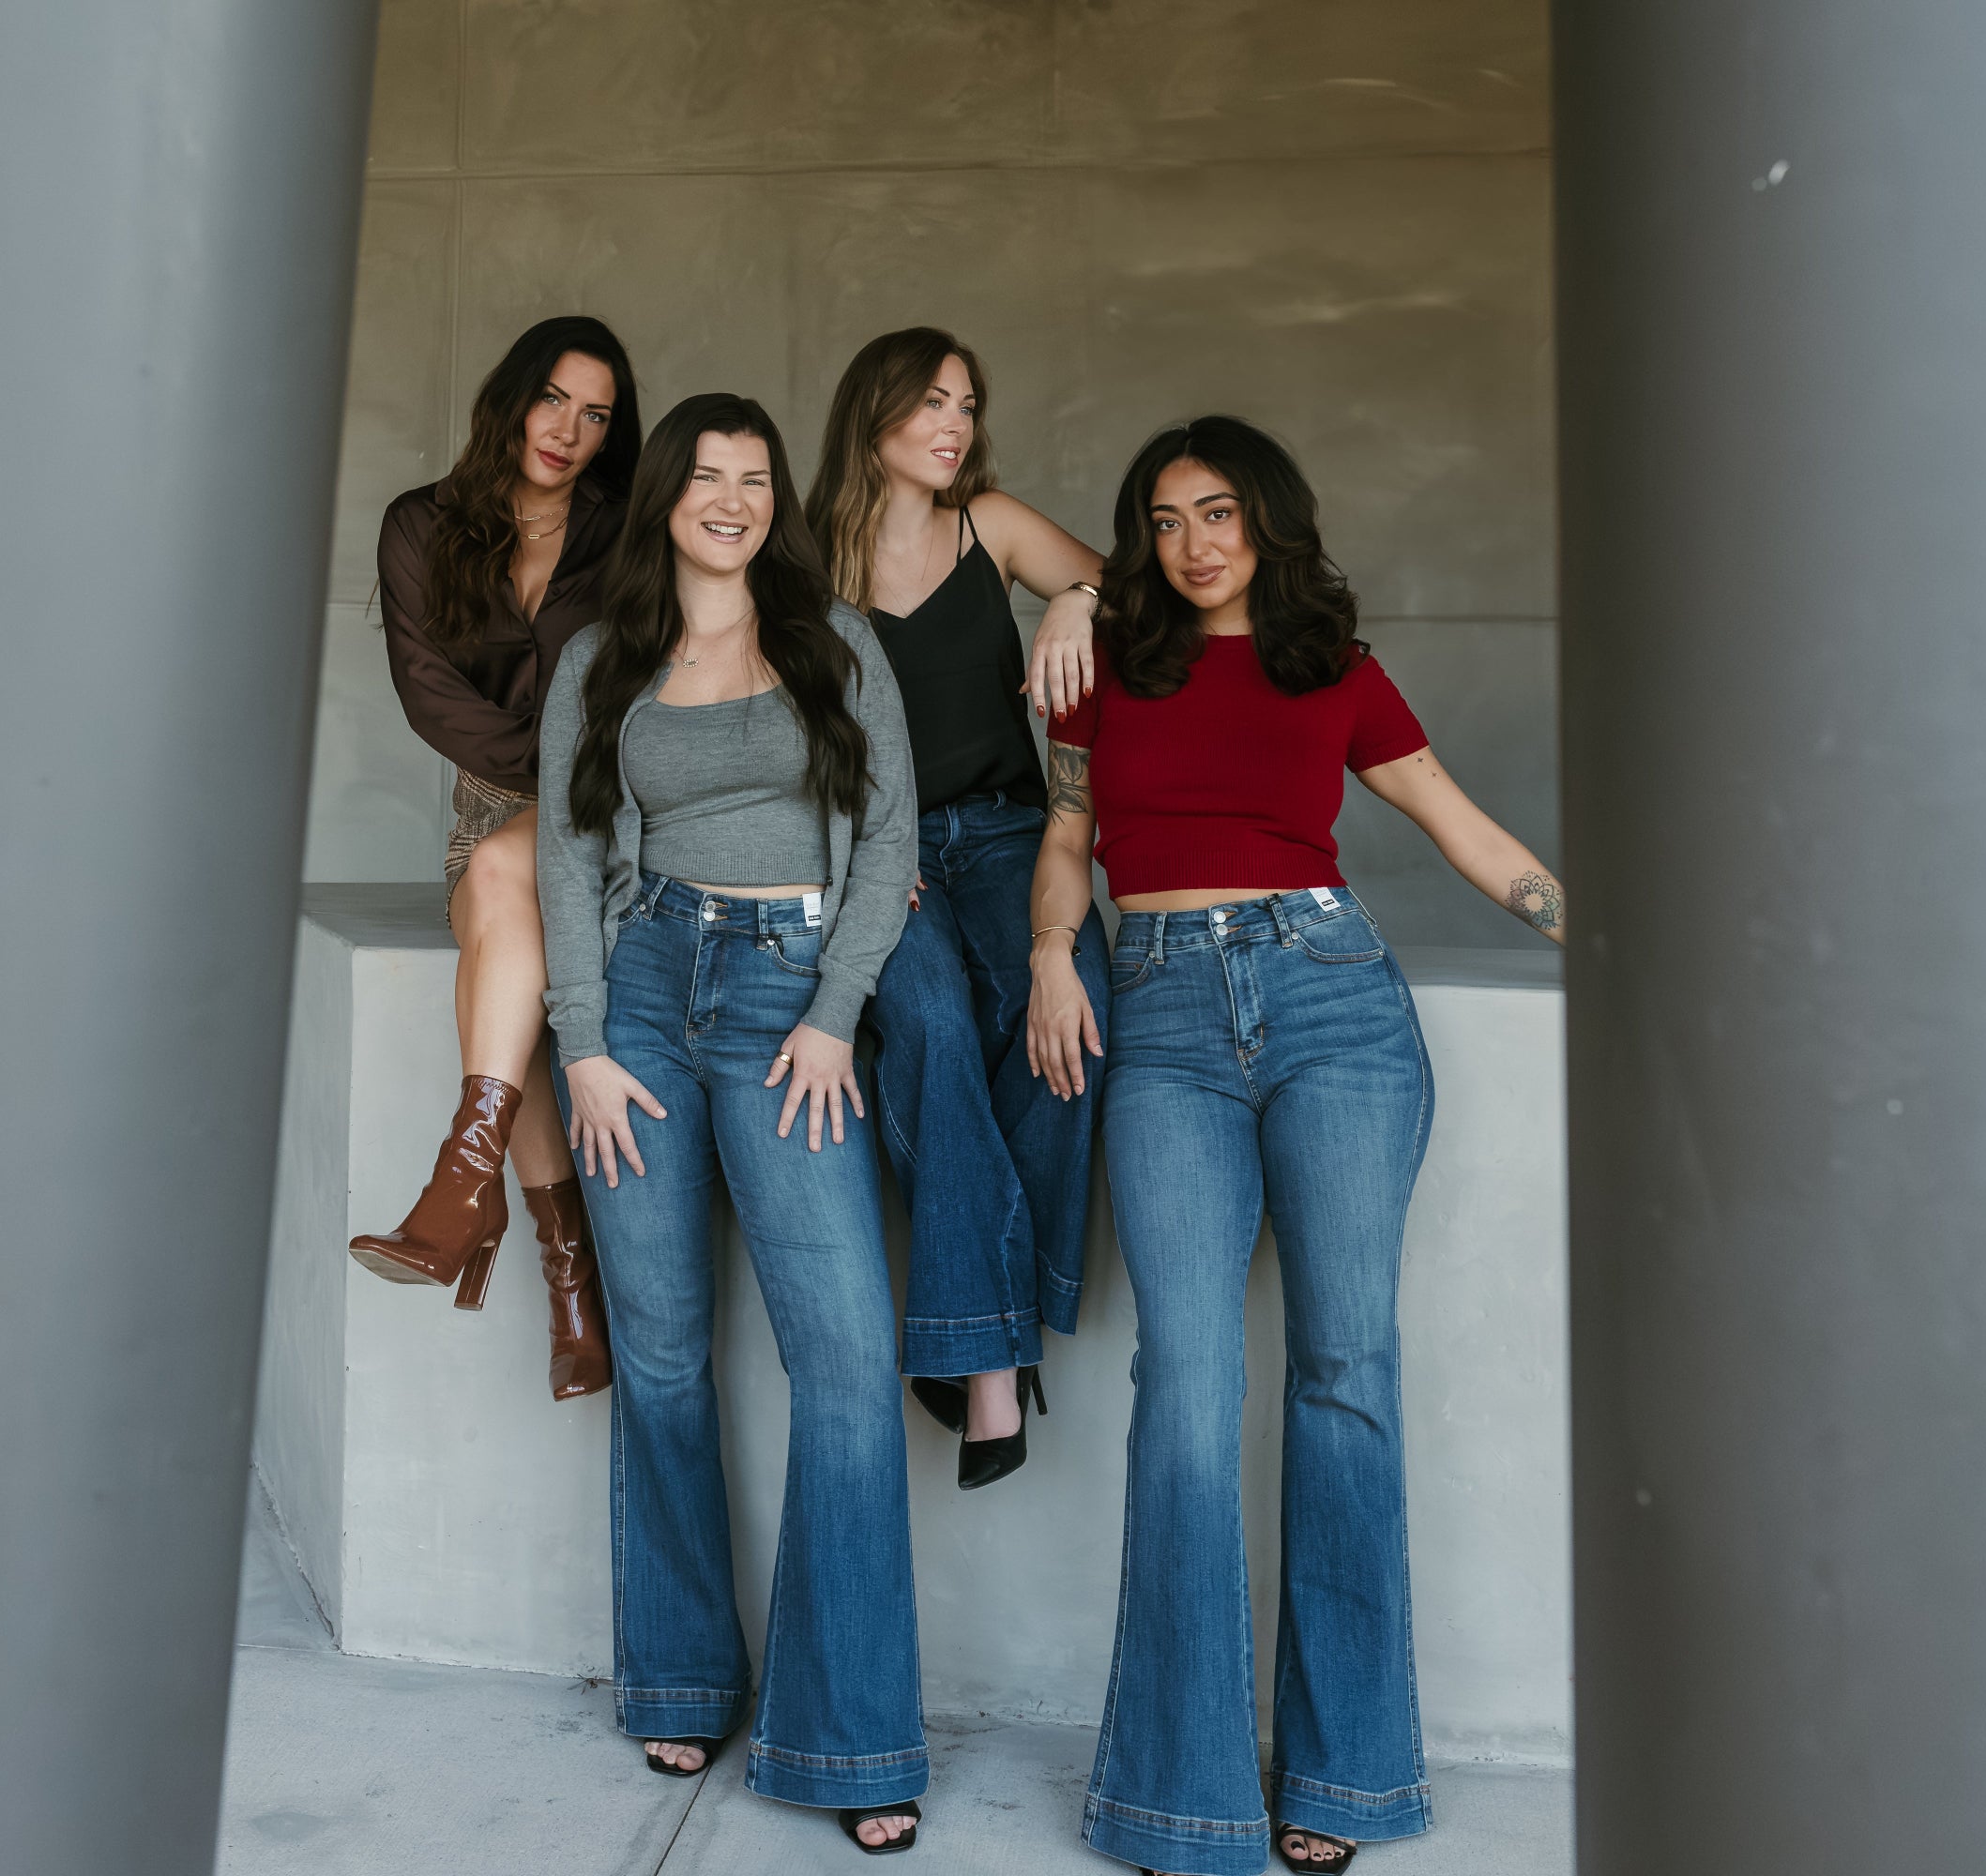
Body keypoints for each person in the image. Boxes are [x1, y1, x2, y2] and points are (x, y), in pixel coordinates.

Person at [1025, 417, 1568, 1876]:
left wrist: (1587, 922)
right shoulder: (1108, 666)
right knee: (1188, 1387)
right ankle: (1184, 1793)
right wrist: (1049, 952)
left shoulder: (1334, 664)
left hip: (1332, 1005)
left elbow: (1455, 820)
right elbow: (1069, 833)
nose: (1192, 543)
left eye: (1218, 513)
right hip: (1162, 1020)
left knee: (1346, 1375)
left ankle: (1348, 1777)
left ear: (1267, 521)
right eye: (1162, 518)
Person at [537, 392, 928, 1854]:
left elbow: (887, 828)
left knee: (842, 1356)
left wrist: (833, 1013)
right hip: (640, 1000)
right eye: (706, 477)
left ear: (777, 499)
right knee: (659, 1350)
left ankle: (850, 1735)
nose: (732, 499)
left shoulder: (833, 642)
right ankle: (684, 1670)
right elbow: (572, 856)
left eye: (754, 479)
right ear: (669, 502)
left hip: (787, 1003)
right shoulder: (602, 660)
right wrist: (578, 1043)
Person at [805, 326, 1109, 1488]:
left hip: (1009, 835)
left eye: (968, 404)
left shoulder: (995, 524)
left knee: (1072, 1023)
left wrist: (1077, 599)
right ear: (873, 414)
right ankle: (992, 1366)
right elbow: (786, 734)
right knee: (929, 1022)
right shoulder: (803, 564)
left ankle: (974, 1335)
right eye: (932, 401)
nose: (955, 424)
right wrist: (859, 849)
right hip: (882, 852)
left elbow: (1139, 591)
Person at [347, 316, 635, 1404]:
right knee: (506, 921)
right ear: (513, 398)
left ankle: (470, 1195)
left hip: (614, 808)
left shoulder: (629, 532)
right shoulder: (421, 526)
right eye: (554, 399)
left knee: (507, 912)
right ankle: (562, 1269)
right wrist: (545, 764)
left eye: (596, 413)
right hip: (493, 808)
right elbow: (433, 696)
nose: (569, 429)